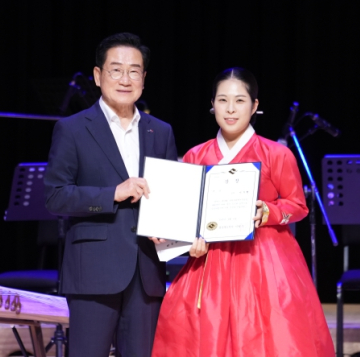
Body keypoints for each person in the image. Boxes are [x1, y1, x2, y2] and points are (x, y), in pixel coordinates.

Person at [151, 67, 334, 357]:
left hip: (264, 259)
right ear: (212, 104)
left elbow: (298, 206)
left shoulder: (277, 154)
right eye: (222, 100)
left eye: (239, 100)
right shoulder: (196, 155)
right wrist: (184, 240)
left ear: (254, 105)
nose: (231, 109)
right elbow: (186, 214)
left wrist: (269, 211)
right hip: (210, 260)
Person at [44, 32, 178, 357]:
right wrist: (113, 194)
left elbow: (169, 198)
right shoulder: (73, 129)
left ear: (144, 78)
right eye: (116, 70)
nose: (125, 79)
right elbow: (55, 197)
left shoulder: (161, 131)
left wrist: (170, 229)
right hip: (93, 271)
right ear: (98, 75)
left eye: (134, 71)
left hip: (146, 272)